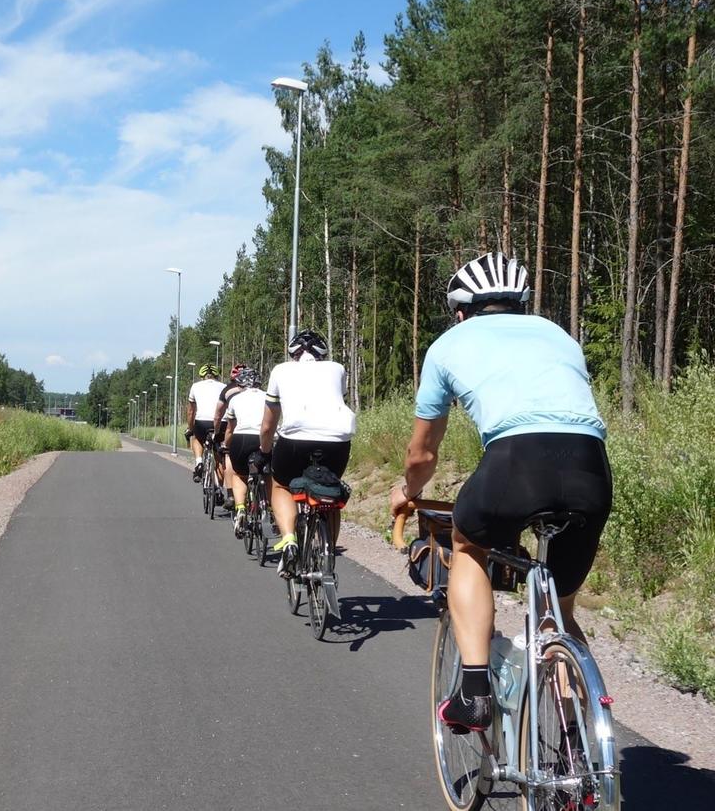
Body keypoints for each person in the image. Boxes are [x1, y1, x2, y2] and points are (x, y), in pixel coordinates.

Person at [389, 253, 611, 734]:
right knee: (559, 609)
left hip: (515, 462)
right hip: (590, 469)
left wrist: (405, 492)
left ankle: (473, 693)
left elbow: (422, 454)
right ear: (521, 304)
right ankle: (580, 745)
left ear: (461, 311)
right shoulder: (559, 336)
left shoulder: (449, 344)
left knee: (468, 546)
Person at [256, 329, 356, 579]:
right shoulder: (338, 368)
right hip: (338, 441)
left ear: (293, 354)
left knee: (280, 485)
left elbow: (268, 425)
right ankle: (326, 553)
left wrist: (264, 453)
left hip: (294, 442)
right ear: (322, 355)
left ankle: (289, 540)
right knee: (328, 490)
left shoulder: (280, 370)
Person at [221, 367, 266, 537]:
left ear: (241, 384)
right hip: (264, 438)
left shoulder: (235, 399)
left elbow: (230, 430)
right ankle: (267, 506)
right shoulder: (268, 397)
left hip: (241, 439)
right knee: (268, 473)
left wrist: (226, 445)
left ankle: (240, 509)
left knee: (239, 474)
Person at [214, 363, 246, 511]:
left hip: (232, 427)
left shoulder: (227, 390)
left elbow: (219, 413)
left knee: (228, 456)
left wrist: (216, 432)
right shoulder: (259, 391)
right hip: (255, 430)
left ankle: (231, 495)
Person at [186, 364, 225, 486]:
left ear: (202, 376)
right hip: (220, 422)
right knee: (219, 455)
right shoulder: (224, 387)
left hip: (201, 422)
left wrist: (190, 428)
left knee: (197, 438)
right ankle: (218, 490)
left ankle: (199, 462)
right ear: (216, 376)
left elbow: (191, 411)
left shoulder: (195, 386)